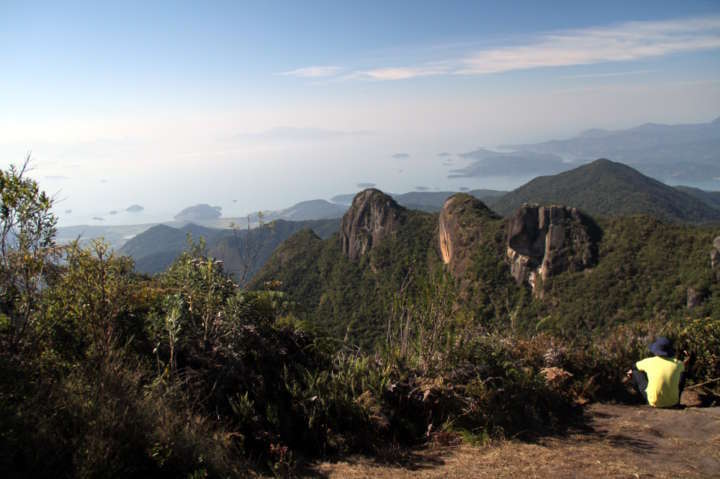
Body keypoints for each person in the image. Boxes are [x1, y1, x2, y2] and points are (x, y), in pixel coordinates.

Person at [626, 337, 689, 408]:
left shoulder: (649, 362)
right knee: (682, 374)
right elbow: (683, 370)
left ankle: (639, 397)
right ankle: (677, 401)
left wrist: (631, 372)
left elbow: (634, 366)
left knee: (635, 372)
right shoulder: (679, 364)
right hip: (673, 402)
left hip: (654, 402)